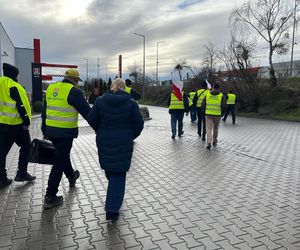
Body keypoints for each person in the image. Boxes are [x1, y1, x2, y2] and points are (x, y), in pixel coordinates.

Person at [87, 78, 144, 220]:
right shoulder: (131, 103)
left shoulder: (100, 101)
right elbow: (139, 124)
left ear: (112, 87)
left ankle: (113, 200)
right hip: (124, 140)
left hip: (104, 139)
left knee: (111, 170)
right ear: (124, 88)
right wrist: (131, 135)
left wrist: (100, 131)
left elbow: (91, 119)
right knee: (118, 173)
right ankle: (112, 209)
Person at [41, 69, 91, 209]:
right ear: (75, 80)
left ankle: (71, 176)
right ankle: (50, 196)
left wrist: (44, 129)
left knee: (62, 156)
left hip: (51, 130)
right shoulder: (74, 91)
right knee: (59, 161)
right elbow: (87, 113)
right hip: (65, 132)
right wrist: (101, 127)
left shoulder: (51, 88)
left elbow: (45, 110)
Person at [0, 63, 36, 187]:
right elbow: (22, 105)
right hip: (16, 124)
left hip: (1, 124)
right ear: (14, 75)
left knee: (2, 151)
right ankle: (22, 173)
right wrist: (26, 122)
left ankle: (1, 178)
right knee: (26, 146)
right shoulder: (15, 86)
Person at [201, 83, 226, 149]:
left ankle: (209, 142)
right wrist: (222, 114)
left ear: (213, 87)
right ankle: (214, 140)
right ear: (219, 88)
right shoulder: (221, 96)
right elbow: (224, 106)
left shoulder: (208, 95)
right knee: (216, 128)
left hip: (208, 114)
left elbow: (203, 105)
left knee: (208, 128)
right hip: (218, 115)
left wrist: (204, 112)